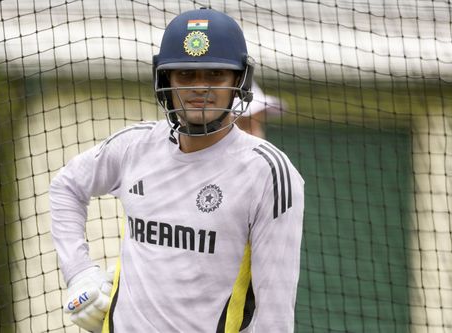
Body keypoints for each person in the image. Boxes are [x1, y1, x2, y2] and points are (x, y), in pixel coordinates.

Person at [50, 7, 304, 333]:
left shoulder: (268, 172)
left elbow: (275, 318)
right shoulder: (133, 146)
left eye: (215, 74)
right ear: (165, 80)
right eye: (186, 74)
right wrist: (79, 272)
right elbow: (66, 186)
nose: (200, 87)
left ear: (239, 81)